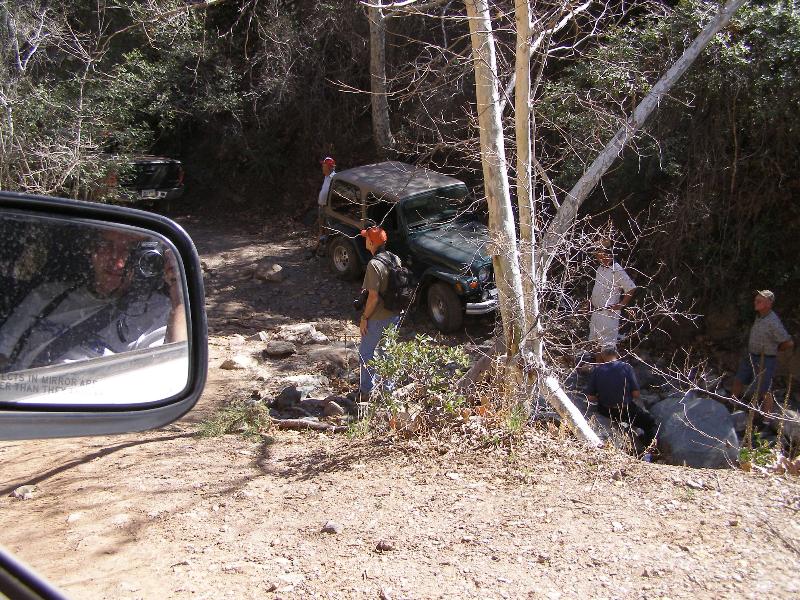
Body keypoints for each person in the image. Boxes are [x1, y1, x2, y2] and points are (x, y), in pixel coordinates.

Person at [0, 227, 186, 372]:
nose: (117, 261)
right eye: (106, 245)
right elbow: (3, 354)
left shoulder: (156, 313)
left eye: (130, 250)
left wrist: (178, 293)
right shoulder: (46, 295)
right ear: (91, 250)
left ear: (146, 259)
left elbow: (171, 370)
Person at [354, 226, 402, 401]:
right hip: (394, 314)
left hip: (377, 317)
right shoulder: (395, 258)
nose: (365, 240)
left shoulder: (374, 264)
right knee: (387, 352)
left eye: (367, 238)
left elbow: (373, 297)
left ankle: (366, 391)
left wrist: (364, 318)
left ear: (372, 242)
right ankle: (389, 392)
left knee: (366, 353)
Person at [730, 290, 794, 418]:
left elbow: (789, 342)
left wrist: (775, 349)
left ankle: (766, 420)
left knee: (764, 389)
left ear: (769, 303)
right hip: (751, 355)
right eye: (756, 300)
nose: (755, 302)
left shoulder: (773, 322)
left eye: (759, 301)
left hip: (766, 359)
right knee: (739, 379)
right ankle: (731, 405)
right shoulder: (760, 316)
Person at [586, 345, 657, 452]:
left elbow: (590, 397)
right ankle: (649, 451)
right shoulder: (626, 367)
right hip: (626, 410)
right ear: (616, 354)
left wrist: (604, 397)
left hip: (606, 411)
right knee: (650, 422)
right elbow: (636, 394)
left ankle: (629, 430)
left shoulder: (597, 370)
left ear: (602, 355)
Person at [589, 242, 636, 349]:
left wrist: (621, 305)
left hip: (608, 314)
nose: (598, 257)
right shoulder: (600, 268)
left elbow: (631, 288)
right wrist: (590, 302)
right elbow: (597, 288)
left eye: (600, 254)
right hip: (596, 312)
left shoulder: (617, 270)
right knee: (594, 346)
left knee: (607, 348)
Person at [315, 156, 336, 246]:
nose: (322, 168)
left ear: (329, 167)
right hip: (322, 207)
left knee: (329, 228)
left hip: (328, 208)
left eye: (324, 166)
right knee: (321, 228)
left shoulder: (334, 177)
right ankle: (317, 247)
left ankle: (327, 248)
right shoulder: (326, 177)